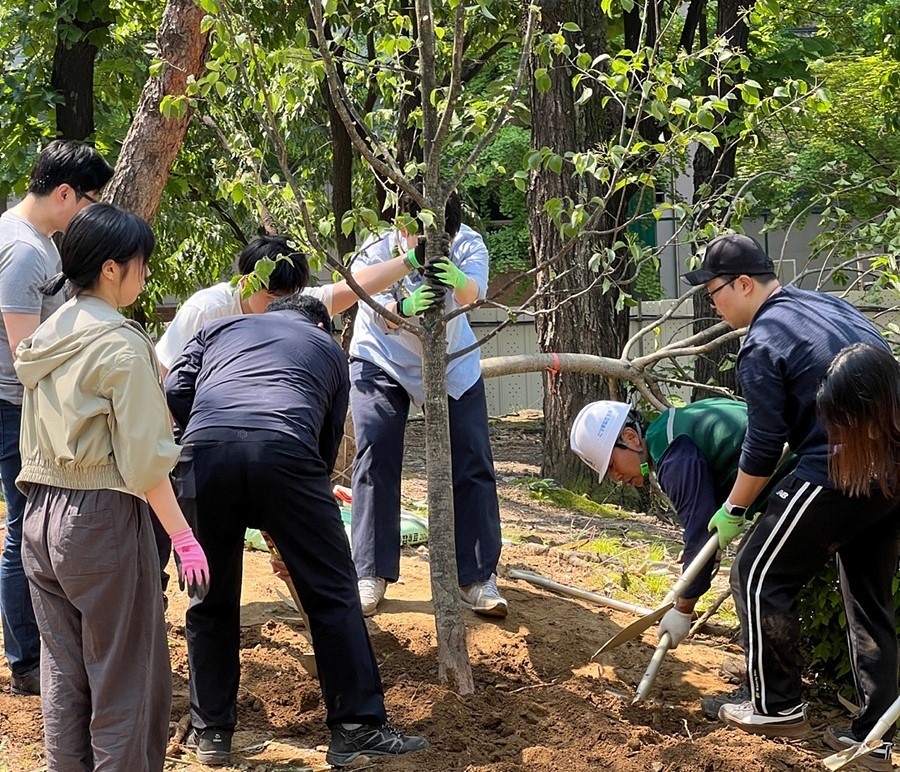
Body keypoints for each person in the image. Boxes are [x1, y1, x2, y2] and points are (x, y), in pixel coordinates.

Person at [164, 293, 428, 769]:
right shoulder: (328, 349)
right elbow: (326, 441)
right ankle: (356, 728)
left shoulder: (222, 328)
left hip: (202, 456)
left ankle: (211, 733)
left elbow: (177, 388)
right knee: (332, 593)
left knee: (209, 597)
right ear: (321, 325)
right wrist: (299, 520)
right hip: (286, 453)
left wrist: (204, 430)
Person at [682, 233, 899, 752]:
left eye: (713, 292)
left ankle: (774, 708)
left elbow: (762, 445)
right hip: (893, 467)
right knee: (868, 599)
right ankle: (875, 738)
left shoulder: (763, 340)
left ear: (742, 284)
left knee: (756, 574)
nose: (712, 304)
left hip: (839, 466)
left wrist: (734, 508)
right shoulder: (825, 305)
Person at [14, 203, 209, 771]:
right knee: (126, 681)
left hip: (39, 518)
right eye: (140, 265)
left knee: (64, 676)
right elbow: (147, 462)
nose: (144, 275)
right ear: (109, 269)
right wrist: (183, 536)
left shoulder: (48, 333)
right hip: (100, 520)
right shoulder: (121, 344)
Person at [348, 192, 506, 618]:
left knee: (472, 455)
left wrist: (455, 277)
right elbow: (363, 295)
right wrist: (402, 305)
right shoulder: (376, 246)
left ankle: (477, 577)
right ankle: (370, 572)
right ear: (401, 228)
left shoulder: (469, 242)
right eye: (416, 234)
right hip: (382, 356)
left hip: (453, 361)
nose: (425, 242)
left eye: (439, 237)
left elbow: (475, 294)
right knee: (376, 448)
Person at [0, 139, 113, 696]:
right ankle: (25, 660)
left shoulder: (37, 240)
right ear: (64, 192)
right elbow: (28, 357)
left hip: (24, 405)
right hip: (13, 407)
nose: (90, 212)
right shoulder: (23, 250)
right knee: (25, 528)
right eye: (89, 200)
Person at [155, 233, 425, 377]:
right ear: (246, 282)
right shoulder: (208, 309)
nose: (281, 309)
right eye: (273, 299)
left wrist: (410, 260)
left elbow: (353, 287)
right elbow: (164, 371)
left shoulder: (296, 307)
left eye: (287, 298)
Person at [816, 342, 900, 771]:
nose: (851, 432)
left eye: (853, 418)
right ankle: (875, 739)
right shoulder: (888, 448)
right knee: (869, 601)